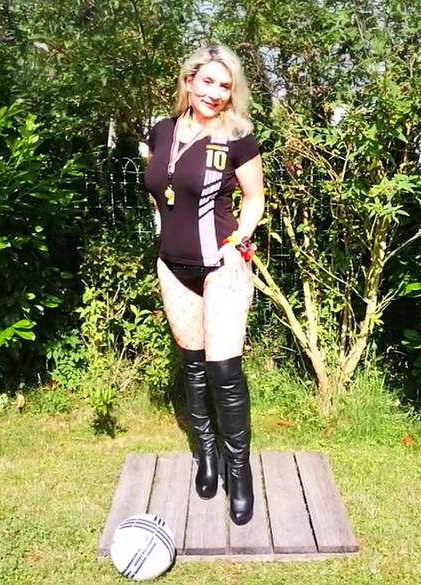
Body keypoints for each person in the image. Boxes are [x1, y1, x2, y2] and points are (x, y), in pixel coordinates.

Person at [144, 43, 264, 526]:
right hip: (172, 266)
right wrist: (161, 230)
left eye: (225, 85)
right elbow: (159, 190)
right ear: (189, 81)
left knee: (224, 370)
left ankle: (239, 473)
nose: (215, 93)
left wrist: (238, 242)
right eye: (208, 81)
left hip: (222, 265)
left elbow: (254, 199)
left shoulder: (238, 136)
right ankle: (207, 456)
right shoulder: (161, 131)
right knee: (192, 365)